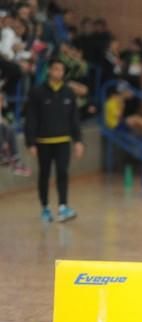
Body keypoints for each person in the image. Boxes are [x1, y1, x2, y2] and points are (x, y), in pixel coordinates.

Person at [25, 58, 84, 222]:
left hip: (63, 141)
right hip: (43, 142)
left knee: (63, 173)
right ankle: (45, 208)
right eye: (55, 69)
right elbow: (31, 118)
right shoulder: (37, 92)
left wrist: (78, 140)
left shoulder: (69, 93)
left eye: (61, 70)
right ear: (49, 70)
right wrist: (30, 142)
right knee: (44, 174)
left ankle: (63, 207)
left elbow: (74, 119)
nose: (58, 72)